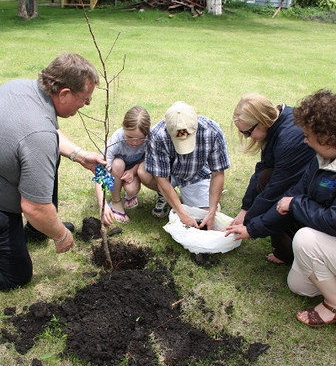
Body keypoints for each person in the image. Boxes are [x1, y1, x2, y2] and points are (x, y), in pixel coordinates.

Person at [0, 53, 107, 291]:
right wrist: (60, 234)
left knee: (47, 159)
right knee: (16, 276)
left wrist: (79, 155)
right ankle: (39, 227)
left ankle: (36, 230)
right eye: (85, 100)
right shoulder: (39, 137)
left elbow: (45, 132)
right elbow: (34, 207)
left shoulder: (22, 88)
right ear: (65, 94)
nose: (85, 106)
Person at [226, 93, 315, 264]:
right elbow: (264, 168)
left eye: (247, 132)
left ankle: (289, 249)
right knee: (265, 178)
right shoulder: (276, 125)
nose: (246, 137)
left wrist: (250, 227)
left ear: (262, 121)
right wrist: (246, 210)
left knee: (277, 198)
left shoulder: (289, 140)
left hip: (316, 190)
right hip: (297, 179)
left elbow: (276, 190)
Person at [275, 90, 336, 327]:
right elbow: (298, 190)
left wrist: (296, 204)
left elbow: (332, 219)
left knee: (305, 240)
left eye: (309, 136)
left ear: (328, 138)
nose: (304, 140)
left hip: (328, 234)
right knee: (298, 286)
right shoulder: (321, 157)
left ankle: (333, 304)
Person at [138, 101, 230, 230]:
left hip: (195, 174)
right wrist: (182, 214)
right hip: (168, 174)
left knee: (209, 212)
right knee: (144, 173)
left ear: (197, 119)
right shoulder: (157, 135)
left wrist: (212, 211)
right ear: (165, 124)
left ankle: (182, 196)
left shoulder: (213, 131)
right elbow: (161, 179)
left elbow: (218, 173)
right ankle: (165, 195)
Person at [95, 106, 151, 224]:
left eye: (140, 139)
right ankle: (116, 202)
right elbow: (100, 173)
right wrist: (102, 204)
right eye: (129, 137)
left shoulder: (149, 140)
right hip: (117, 169)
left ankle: (129, 194)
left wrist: (133, 171)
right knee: (118, 164)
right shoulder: (116, 140)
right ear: (123, 127)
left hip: (132, 170)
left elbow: (147, 160)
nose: (134, 142)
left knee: (131, 189)